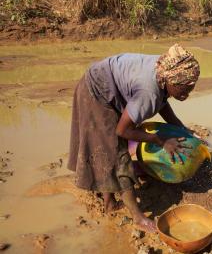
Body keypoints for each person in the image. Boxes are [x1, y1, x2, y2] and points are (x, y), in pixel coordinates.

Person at [67, 44, 200, 233]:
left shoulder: (166, 68)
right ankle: (138, 217)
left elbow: (162, 101)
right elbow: (123, 131)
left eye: (191, 89)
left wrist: (182, 128)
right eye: (183, 89)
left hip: (102, 80)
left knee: (105, 147)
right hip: (96, 91)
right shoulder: (150, 92)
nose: (187, 94)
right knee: (116, 153)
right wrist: (161, 141)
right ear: (170, 80)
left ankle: (108, 199)